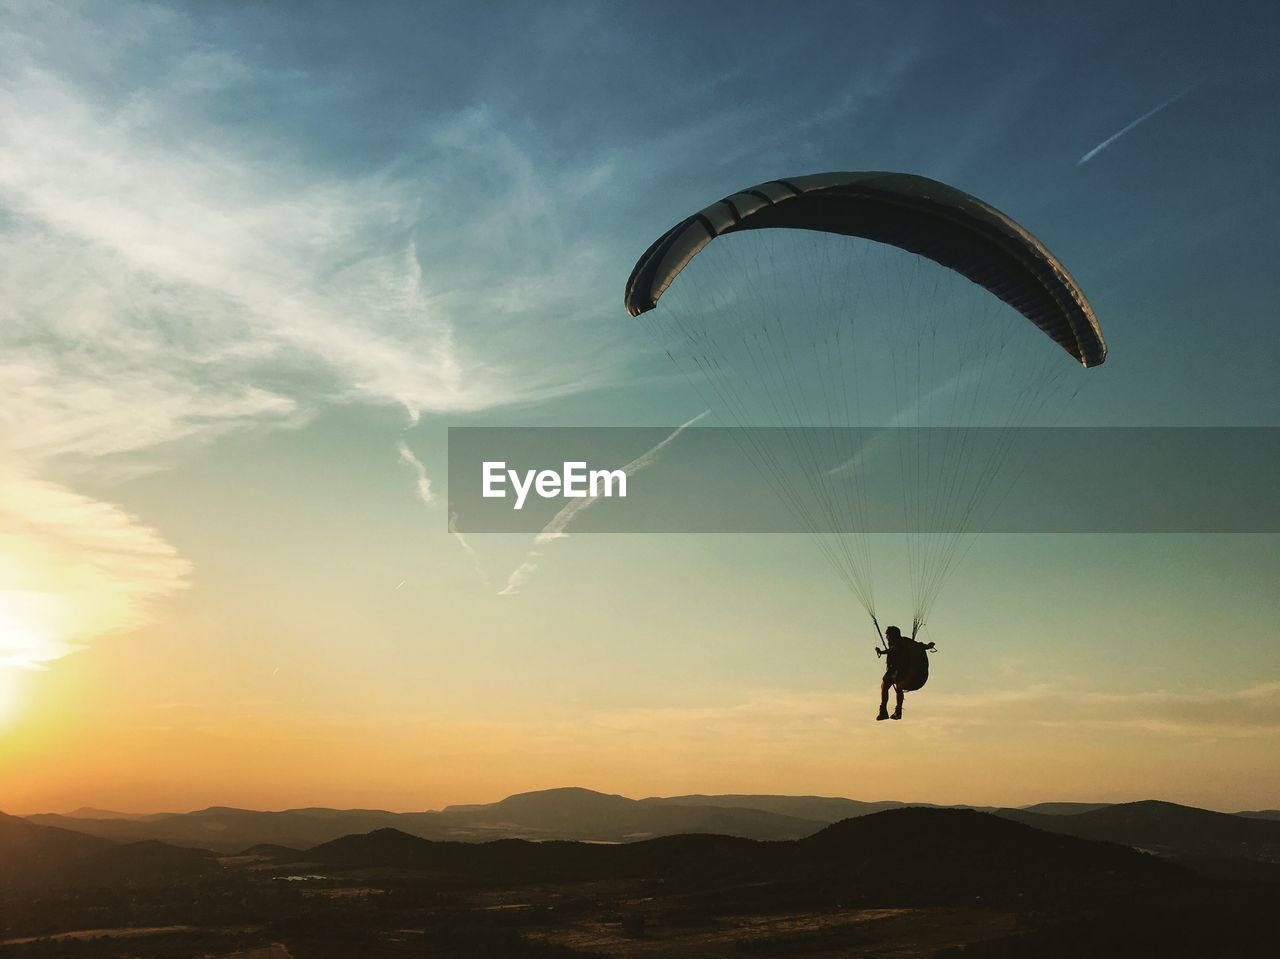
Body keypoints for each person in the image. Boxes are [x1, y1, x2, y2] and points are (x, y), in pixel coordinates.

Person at [876, 625, 935, 721]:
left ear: (893, 636)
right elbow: (919, 646)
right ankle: (898, 711)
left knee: (885, 685)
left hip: (897, 670)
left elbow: (893, 650)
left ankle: (883, 711)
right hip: (903, 671)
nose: (887, 638)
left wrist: (881, 652)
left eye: (888, 636)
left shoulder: (898, 644)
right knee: (898, 688)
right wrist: (928, 646)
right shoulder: (905, 641)